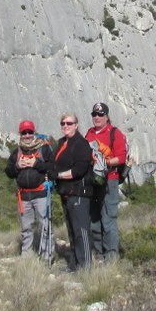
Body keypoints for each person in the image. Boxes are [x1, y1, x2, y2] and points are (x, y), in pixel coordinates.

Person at [5, 119, 55, 257]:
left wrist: (37, 164)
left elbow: (52, 169)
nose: (27, 135)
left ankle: (47, 257)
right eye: (24, 133)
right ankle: (26, 257)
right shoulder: (16, 153)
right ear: (20, 134)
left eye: (29, 132)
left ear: (34, 133)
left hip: (41, 194)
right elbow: (8, 172)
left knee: (45, 227)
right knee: (26, 229)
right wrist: (17, 167)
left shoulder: (44, 149)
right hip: (24, 197)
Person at [86, 102, 128, 262]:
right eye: (94, 114)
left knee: (108, 218)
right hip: (93, 180)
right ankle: (98, 253)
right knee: (94, 217)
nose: (97, 117)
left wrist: (104, 162)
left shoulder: (114, 133)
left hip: (109, 180)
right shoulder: (89, 133)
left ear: (107, 116)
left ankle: (111, 257)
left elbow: (121, 157)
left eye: (100, 114)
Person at [51, 112, 93, 271]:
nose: (65, 126)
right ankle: (75, 264)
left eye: (69, 123)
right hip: (66, 192)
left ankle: (86, 268)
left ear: (76, 125)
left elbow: (79, 170)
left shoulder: (81, 144)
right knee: (72, 229)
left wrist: (59, 175)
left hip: (79, 192)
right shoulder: (62, 143)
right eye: (63, 123)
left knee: (81, 230)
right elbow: (53, 163)